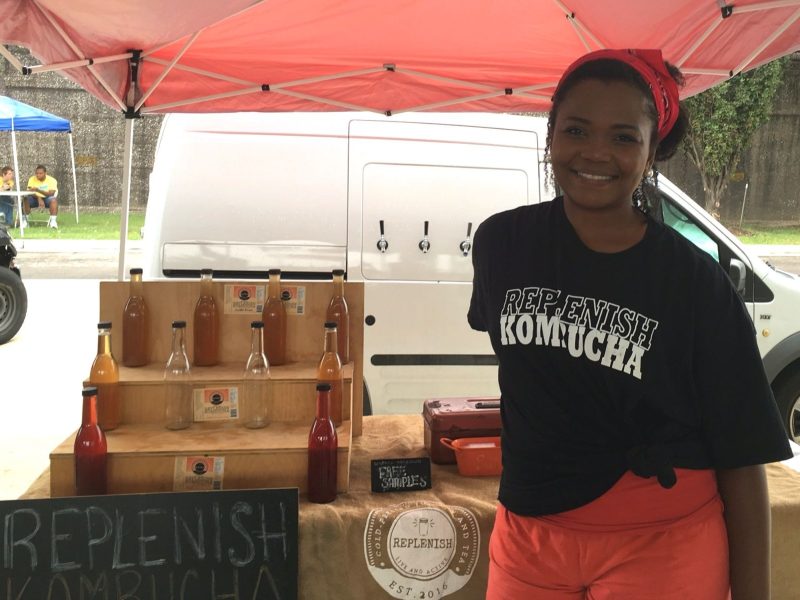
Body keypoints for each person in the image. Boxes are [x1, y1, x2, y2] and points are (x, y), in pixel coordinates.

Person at [468, 49, 792, 600]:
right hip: (529, 535)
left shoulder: (695, 283)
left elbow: (742, 456)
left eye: (623, 137)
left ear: (649, 154)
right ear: (550, 136)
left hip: (662, 542)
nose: (596, 152)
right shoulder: (502, 243)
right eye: (576, 129)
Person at [23, 164, 58, 228]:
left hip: (47, 198)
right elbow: (29, 192)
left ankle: (53, 222)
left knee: (53, 200)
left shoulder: (52, 180)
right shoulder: (32, 179)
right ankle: (25, 221)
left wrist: (38, 190)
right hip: (34, 198)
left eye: (40, 173)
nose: (38, 175)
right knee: (25, 198)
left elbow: (51, 194)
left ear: (45, 173)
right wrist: (39, 198)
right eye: (37, 173)